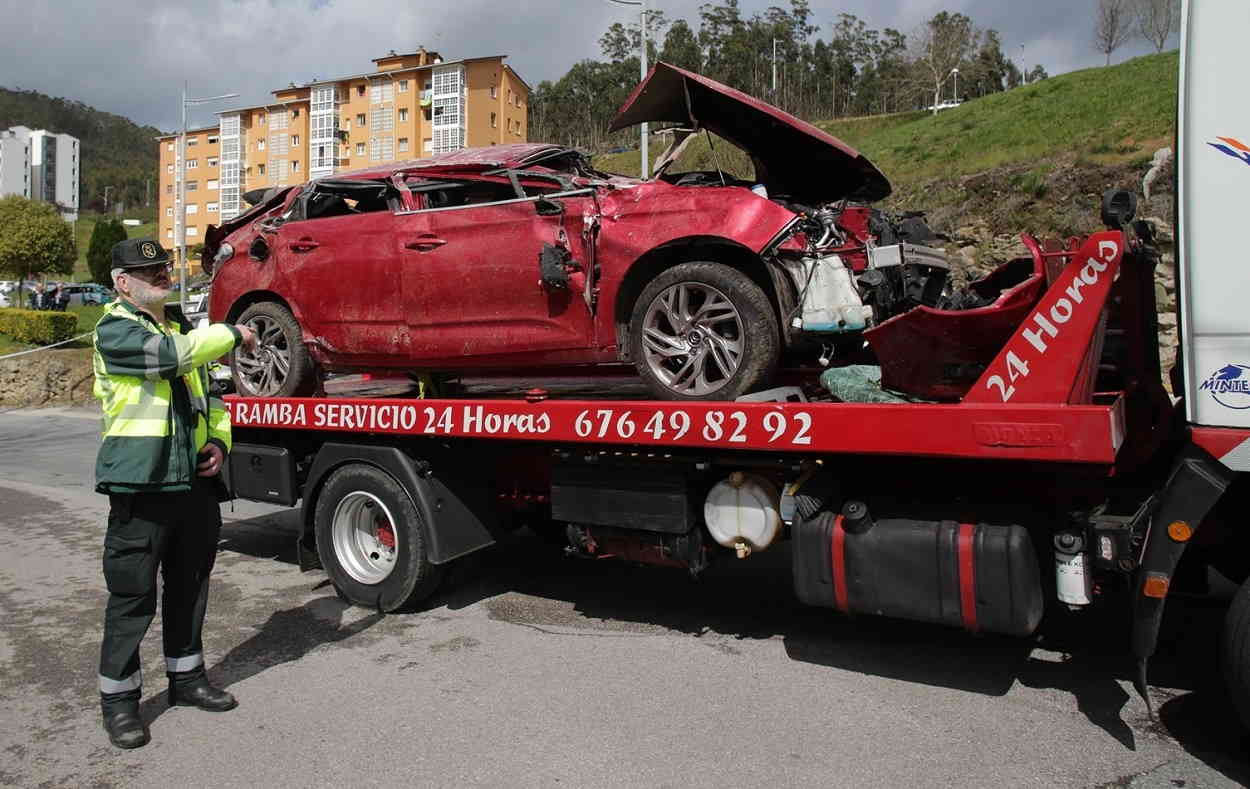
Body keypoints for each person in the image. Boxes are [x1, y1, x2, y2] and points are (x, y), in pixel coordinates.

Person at [92, 238, 257, 749]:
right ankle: (120, 705)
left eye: (164, 268)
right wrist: (229, 332)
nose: (163, 276)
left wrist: (219, 445)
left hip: (193, 484)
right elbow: (169, 360)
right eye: (150, 272)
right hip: (142, 484)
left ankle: (187, 679)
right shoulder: (116, 329)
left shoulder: (181, 328)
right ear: (123, 283)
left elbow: (214, 398)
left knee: (189, 587)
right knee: (132, 596)